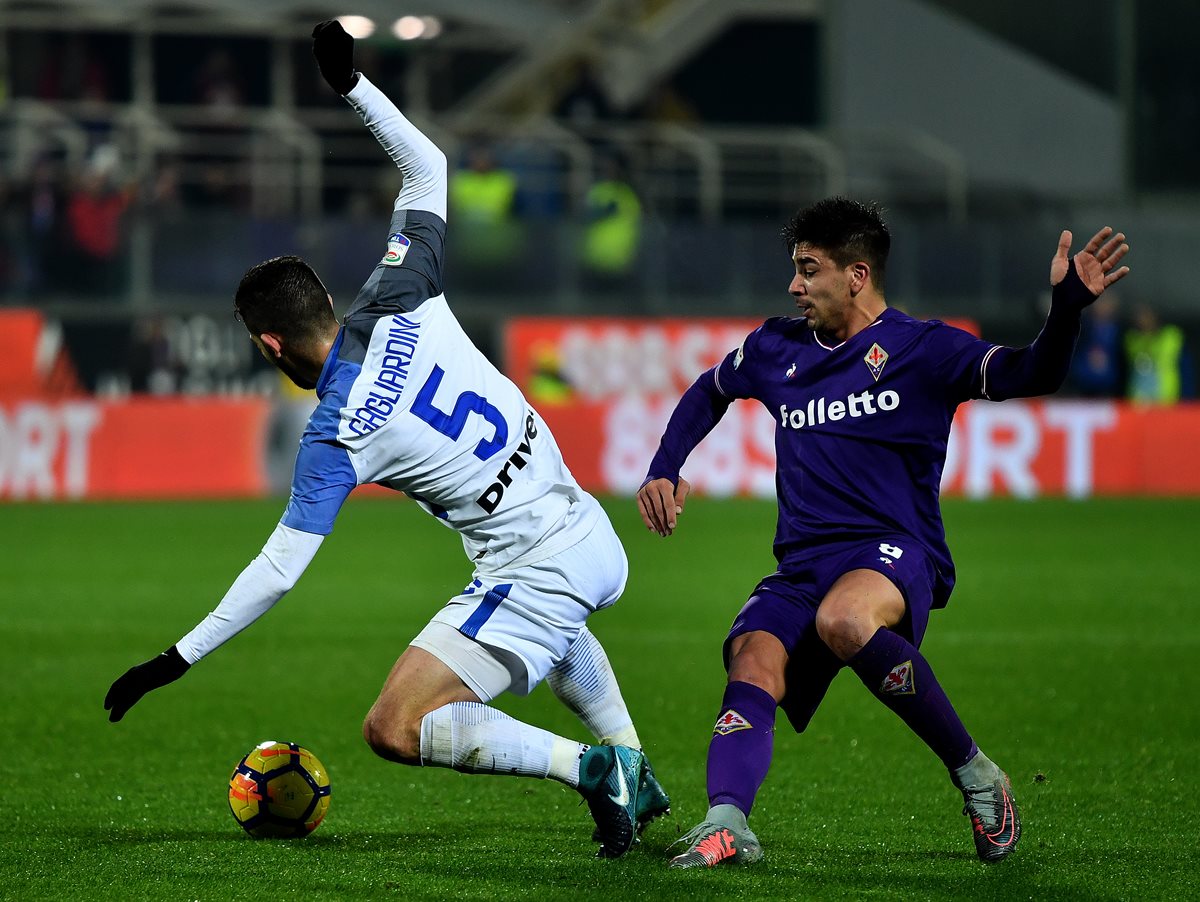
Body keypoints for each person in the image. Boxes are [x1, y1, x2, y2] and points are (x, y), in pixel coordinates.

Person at [104, 20, 668, 860]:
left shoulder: (333, 436)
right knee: (545, 626)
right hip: (586, 528)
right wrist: (352, 86)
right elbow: (427, 166)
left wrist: (173, 659)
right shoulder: (401, 291)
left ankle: (593, 769)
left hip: (536, 565)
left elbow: (278, 571)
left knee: (394, 725)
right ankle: (635, 766)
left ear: (268, 346)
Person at [636, 198, 1129, 868]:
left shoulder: (924, 348)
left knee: (845, 619)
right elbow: (708, 390)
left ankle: (978, 776)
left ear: (857, 275)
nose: (795, 286)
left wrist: (1067, 310)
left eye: (809, 270)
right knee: (751, 657)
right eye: (795, 270)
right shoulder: (776, 347)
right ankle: (727, 825)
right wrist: (665, 468)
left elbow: (1029, 372)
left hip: (892, 553)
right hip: (802, 564)